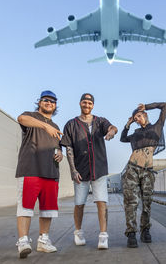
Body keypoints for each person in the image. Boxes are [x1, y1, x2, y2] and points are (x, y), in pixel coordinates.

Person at [60, 93, 118, 250]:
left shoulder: (100, 121)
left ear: (93, 105)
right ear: (80, 103)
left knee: (102, 202)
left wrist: (111, 132)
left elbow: (112, 128)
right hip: (81, 170)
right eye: (84, 102)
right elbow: (68, 148)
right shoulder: (71, 124)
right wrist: (73, 170)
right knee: (79, 203)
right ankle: (78, 232)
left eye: (89, 103)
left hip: (98, 169)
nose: (87, 105)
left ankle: (103, 235)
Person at [14, 90, 63, 258]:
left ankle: (43, 241)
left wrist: (60, 154)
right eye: (46, 100)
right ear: (40, 102)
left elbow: (58, 146)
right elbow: (21, 119)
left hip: (51, 172)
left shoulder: (56, 127)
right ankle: (23, 242)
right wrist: (44, 125)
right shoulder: (31, 116)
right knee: (25, 207)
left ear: (55, 105)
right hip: (30, 170)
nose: (49, 103)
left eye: (52, 101)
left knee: (48, 210)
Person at [120, 102, 166, 248]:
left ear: (145, 115)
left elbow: (164, 106)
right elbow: (122, 138)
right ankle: (131, 232)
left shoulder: (157, 127)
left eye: (139, 116)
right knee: (131, 202)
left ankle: (145, 229)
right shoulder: (135, 133)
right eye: (135, 118)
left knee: (147, 202)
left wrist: (146, 106)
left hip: (148, 171)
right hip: (132, 169)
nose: (138, 119)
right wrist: (128, 124)